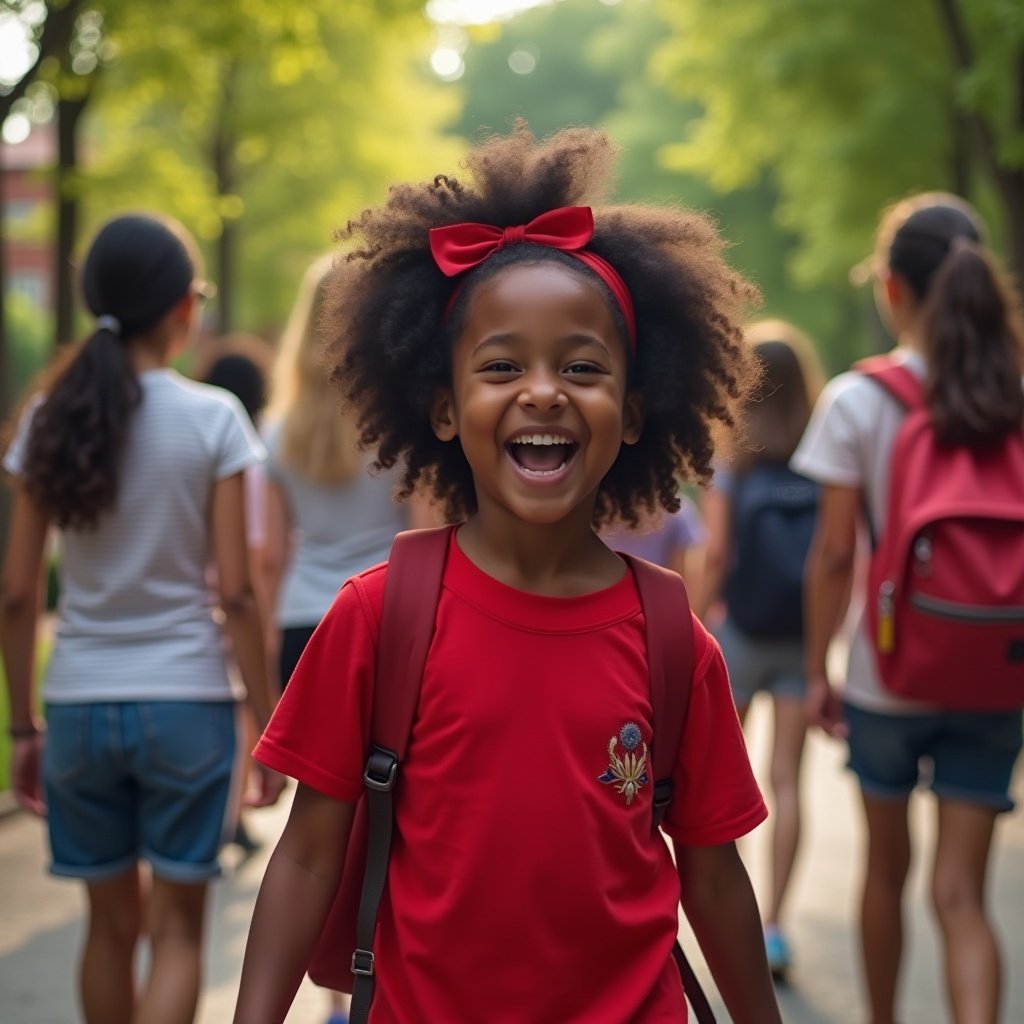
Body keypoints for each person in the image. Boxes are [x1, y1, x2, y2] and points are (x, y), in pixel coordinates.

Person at [234, 123, 784, 1024]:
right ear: (445, 410)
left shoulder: (672, 635)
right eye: (501, 366)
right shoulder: (378, 616)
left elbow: (715, 880)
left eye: (581, 366)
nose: (543, 391)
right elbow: (305, 855)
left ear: (635, 413)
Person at [0, 212, 284, 1024]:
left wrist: (23, 726)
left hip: (80, 707)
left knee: (107, 931)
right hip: (186, 705)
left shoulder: (49, 419)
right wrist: (266, 724)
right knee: (178, 934)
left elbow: (19, 593)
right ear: (182, 309)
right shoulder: (214, 418)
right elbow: (237, 592)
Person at [793, 192, 1024, 1024]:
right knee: (962, 895)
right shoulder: (1016, 397)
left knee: (885, 873)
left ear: (892, 290)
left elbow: (834, 554)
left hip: (887, 676)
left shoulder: (859, 401)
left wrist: (817, 667)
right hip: (998, 675)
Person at [259, 255, 414, 1024]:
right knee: (381, 819)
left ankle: (335, 979)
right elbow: (422, 531)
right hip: (387, 624)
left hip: (298, 628)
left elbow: (267, 557)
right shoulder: (399, 420)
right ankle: (360, 969)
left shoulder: (278, 430)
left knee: (315, 831)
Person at [695, 319, 824, 980]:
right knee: (786, 779)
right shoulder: (824, 456)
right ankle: (774, 925)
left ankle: (733, 914)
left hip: (740, 635)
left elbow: (715, 553)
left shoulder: (731, 462)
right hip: (802, 637)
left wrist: (691, 622)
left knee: (726, 779)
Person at [600, 494, 706, 591]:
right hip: (658, 601)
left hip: (608, 598)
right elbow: (681, 578)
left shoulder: (598, 510)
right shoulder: (677, 511)